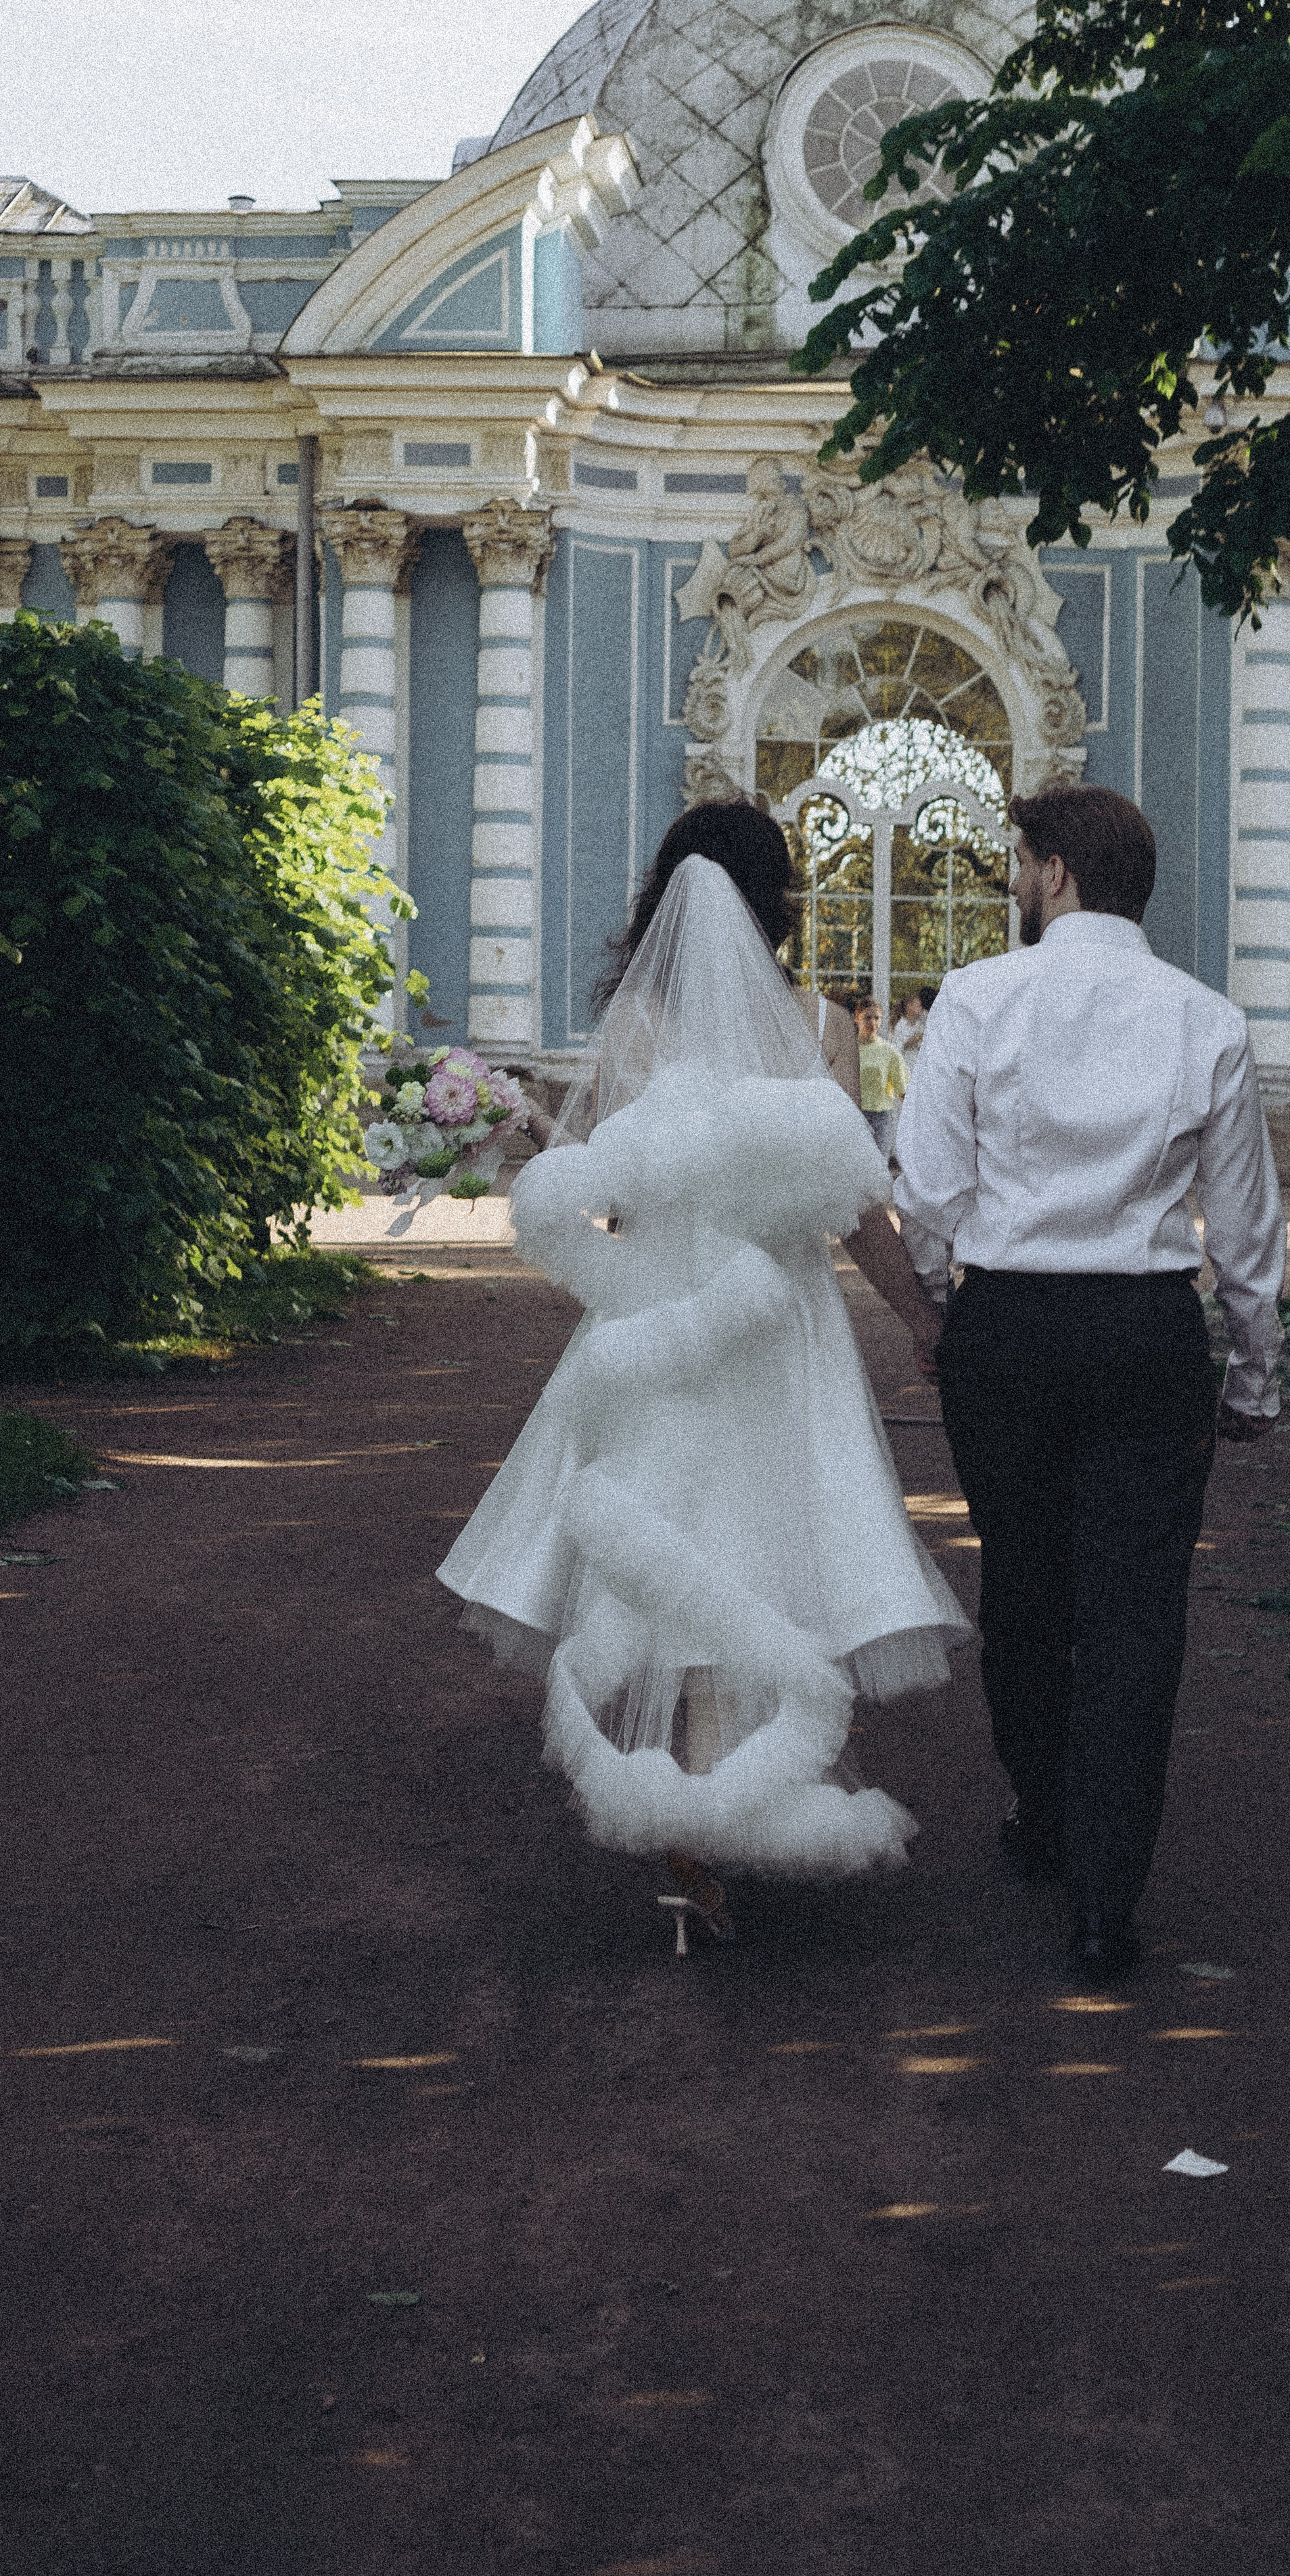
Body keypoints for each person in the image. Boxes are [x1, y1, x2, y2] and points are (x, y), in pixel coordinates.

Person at [440, 801, 961, 1944]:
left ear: (667, 893)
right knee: (774, 1545)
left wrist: (532, 1132)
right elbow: (858, 1211)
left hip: (667, 1313)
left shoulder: (635, 1024)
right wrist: (922, 1317)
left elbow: (617, 1202)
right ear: (774, 897)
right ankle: (736, 1792)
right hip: (783, 1330)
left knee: (669, 1541)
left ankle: (680, 1822)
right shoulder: (821, 1025)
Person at [894, 783, 1285, 1983]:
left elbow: (926, 1188)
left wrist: (946, 1307)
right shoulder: (1204, 1018)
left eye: (1020, 862)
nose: (1014, 880)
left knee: (1022, 1580)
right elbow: (1247, 1226)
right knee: (1135, 1616)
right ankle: (1108, 1902)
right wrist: (1255, 1375)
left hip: (1009, 1323)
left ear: (1055, 871)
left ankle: (1045, 1818)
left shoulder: (974, 996)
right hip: (1144, 1333)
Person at [855, 996, 908, 1158]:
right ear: (857, 1018)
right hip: (854, 1117)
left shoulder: (889, 1052)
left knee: (879, 1167)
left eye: (877, 1018)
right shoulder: (847, 1049)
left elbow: (904, 1092)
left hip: (881, 1118)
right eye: (868, 1018)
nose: (873, 1023)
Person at [892, 989, 931, 1076]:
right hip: (906, 1068)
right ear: (909, 1006)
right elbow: (896, 1049)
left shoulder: (921, 1023)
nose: (921, 1009)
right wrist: (912, 1040)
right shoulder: (901, 1026)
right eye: (919, 1006)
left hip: (920, 1069)